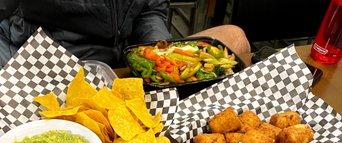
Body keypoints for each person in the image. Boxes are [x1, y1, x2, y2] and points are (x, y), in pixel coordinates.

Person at [0, 0, 250, 69]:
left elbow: (150, 9)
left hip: (123, 67)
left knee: (234, 38)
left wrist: (159, 56)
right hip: (47, 67)